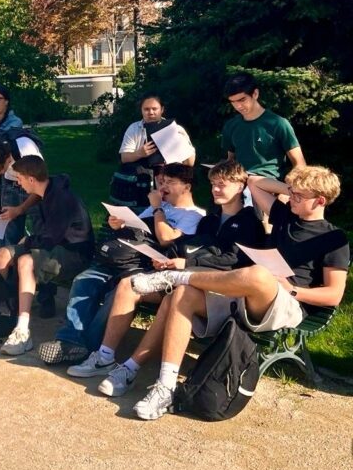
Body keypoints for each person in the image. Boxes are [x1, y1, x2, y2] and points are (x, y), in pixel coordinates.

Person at [129, 165, 349, 420]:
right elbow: (253, 182)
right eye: (292, 193)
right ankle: (165, 387)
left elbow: (333, 295)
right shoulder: (285, 215)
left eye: (299, 196)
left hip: (288, 304)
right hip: (248, 294)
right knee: (182, 294)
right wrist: (292, 187)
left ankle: (177, 276)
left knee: (259, 274)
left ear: (320, 201)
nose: (291, 198)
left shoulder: (334, 238)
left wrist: (293, 291)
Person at [93, 160, 264, 398]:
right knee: (128, 285)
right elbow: (192, 248)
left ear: (240, 186)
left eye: (221, 185)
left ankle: (132, 368)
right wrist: (170, 259)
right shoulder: (210, 220)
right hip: (192, 280)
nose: (215, 189)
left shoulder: (249, 222)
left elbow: (235, 261)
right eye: (213, 184)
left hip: (221, 290)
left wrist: (187, 263)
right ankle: (104, 357)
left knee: (174, 298)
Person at [65, 164, 205, 378]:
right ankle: (71, 340)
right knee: (84, 281)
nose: (163, 187)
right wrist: (120, 224)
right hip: (126, 260)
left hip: (152, 270)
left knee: (119, 291)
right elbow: (139, 229)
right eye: (162, 182)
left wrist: (157, 209)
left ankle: (90, 348)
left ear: (187, 186)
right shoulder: (162, 207)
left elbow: (166, 239)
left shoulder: (194, 215)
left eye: (170, 182)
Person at [0, 155, 95, 356]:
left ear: (31, 179)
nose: (18, 183)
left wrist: (27, 242)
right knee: (3, 254)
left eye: (20, 178)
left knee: (26, 261)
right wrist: (28, 242)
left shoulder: (62, 199)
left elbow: (51, 238)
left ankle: (22, 330)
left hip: (74, 253)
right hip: (54, 247)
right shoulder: (46, 192)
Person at [222, 72, 305, 195]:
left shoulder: (278, 123)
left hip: (270, 188)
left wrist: (286, 194)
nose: (238, 106)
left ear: (255, 94)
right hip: (238, 186)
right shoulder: (231, 126)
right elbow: (230, 161)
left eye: (242, 99)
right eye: (233, 102)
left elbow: (300, 164)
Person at [119, 93, 195, 168]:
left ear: (162, 109)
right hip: (142, 173)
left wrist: (182, 143)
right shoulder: (134, 128)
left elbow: (190, 163)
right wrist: (140, 153)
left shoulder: (177, 129)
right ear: (141, 110)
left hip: (171, 173)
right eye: (146, 109)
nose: (151, 113)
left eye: (154, 109)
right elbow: (124, 158)